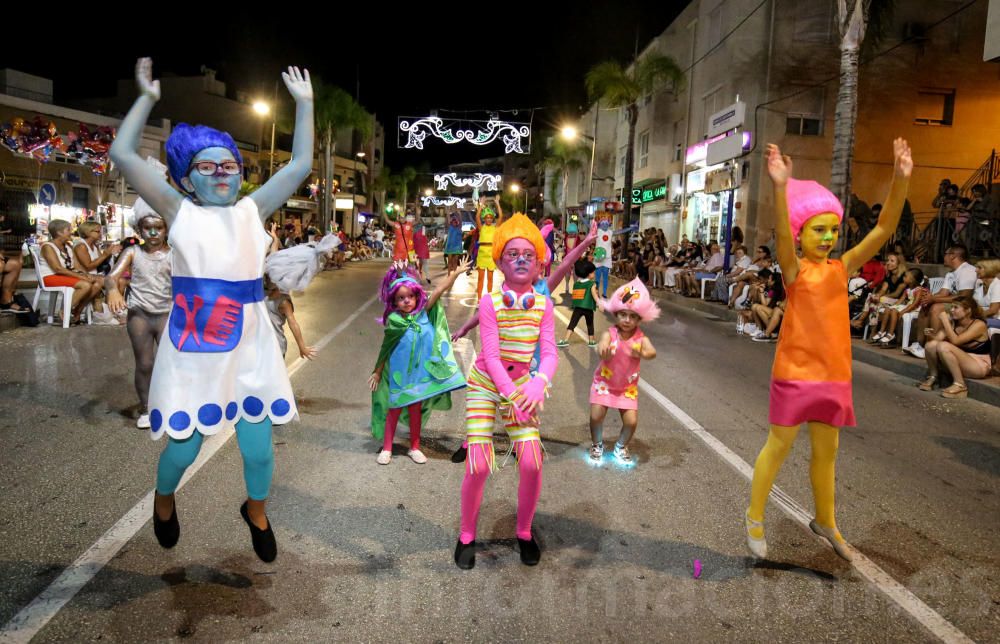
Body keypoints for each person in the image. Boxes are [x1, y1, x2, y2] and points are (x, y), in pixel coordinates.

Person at [109, 58, 315, 562]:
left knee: (260, 449)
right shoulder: (179, 212)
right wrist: (146, 100)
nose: (223, 174)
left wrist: (305, 106)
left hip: (249, 343)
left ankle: (256, 509)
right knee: (183, 448)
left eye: (230, 166)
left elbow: (300, 166)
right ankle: (163, 499)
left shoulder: (252, 210)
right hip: (195, 346)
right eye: (208, 166)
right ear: (185, 177)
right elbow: (121, 152)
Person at [745, 138, 911, 562]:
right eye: (818, 230)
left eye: (833, 230)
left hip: (834, 376)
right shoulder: (794, 270)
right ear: (801, 235)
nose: (828, 237)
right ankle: (755, 517)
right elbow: (782, 233)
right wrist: (780, 187)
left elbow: (884, 229)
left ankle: (826, 521)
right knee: (777, 447)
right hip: (795, 373)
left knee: (827, 454)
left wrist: (900, 179)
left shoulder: (844, 267)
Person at [454, 214, 557, 570]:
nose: (521, 259)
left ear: (539, 265)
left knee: (531, 460)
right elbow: (493, 357)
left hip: (522, 387)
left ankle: (524, 532)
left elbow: (550, 352)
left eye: (528, 254)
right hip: (486, 384)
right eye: (512, 253)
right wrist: (514, 395)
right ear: (499, 262)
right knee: (479, 464)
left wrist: (539, 381)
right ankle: (466, 534)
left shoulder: (544, 305)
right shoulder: (489, 303)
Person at [369, 259, 468, 464]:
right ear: (394, 301)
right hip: (399, 374)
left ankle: (414, 447)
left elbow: (439, 289)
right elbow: (385, 349)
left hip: (419, 374)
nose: (406, 301)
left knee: (416, 410)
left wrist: (455, 273)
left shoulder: (423, 313)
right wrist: (377, 372)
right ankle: (387, 448)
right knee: (394, 409)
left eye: (410, 296)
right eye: (401, 298)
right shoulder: (395, 322)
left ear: (417, 296)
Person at [105, 199, 173, 429]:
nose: (153, 233)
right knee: (144, 363)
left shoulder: (174, 255)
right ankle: (146, 408)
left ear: (167, 229)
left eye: (159, 227)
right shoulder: (133, 252)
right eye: (147, 228)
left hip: (166, 314)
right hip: (140, 315)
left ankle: (168, 404)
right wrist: (113, 290)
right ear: (139, 229)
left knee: (168, 364)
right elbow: (110, 277)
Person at [588, 278, 659, 464]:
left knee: (631, 422)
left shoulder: (640, 338)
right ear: (616, 314)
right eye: (623, 315)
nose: (627, 320)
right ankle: (597, 444)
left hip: (627, 388)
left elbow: (652, 352)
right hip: (604, 384)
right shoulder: (610, 333)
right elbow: (601, 345)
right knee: (596, 416)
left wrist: (643, 352)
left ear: (639, 318)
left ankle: (621, 446)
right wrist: (603, 350)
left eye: (633, 316)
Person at [917, 295, 991, 398]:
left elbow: (956, 341)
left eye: (956, 308)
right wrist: (930, 336)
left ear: (968, 310)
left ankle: (960, 385)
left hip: (979, 365)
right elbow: (936, 341)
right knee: (931, 345)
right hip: (962, 360)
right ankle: (934, 377)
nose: (951, 310)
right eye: (951, 307)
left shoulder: (979, 324)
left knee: (944, 346)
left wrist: (945, 321)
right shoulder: (953, 322)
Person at [38, 220, 103, 324]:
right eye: (68, 230)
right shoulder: (48, 247)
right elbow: (58, 269)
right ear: (59, 232)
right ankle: (65, 311)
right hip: (50, 277)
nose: (71, 232)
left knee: (98, 282)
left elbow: (76, 266)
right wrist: (81, 277)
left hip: (65, 275)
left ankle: (78, 309)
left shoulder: (68, 246)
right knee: (85, 285)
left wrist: (86, 274)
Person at [558, 259, 599, 347]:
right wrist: (600, 303)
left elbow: (575, 296)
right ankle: (591, 341)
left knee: (572, 323)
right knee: (590, 323)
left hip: (578, 308)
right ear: (588, 274)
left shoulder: (576, 284)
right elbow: (595, 296)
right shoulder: (592, 284)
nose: (594, 274)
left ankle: (565, 340)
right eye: (593, 272)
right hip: (588, 308)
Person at [474, 197, 504, 299]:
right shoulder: (481, 228)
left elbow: (501, 217)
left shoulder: (495, 228)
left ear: (492, 219)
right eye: (487, 217)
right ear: (485, 219)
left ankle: (489, 298)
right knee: (480, 278)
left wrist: (497, 203)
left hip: (491, 254)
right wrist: (481, 205)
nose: (489, 219)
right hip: (482, 253)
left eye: (490, 218)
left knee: (490, 278)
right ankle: (479, 299)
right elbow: (477, 217)